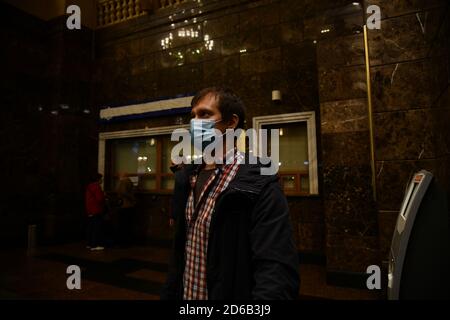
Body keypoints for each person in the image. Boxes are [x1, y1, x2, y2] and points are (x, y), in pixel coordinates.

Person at [161, 87, 300, 300]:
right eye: (193, 116)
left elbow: (276, 270)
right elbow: (179, 257)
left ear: (231, 123)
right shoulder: (187, 178)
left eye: (205, 114)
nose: (195, 123)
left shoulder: (260, 184)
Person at [85, 173, 105, 251]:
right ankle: (94, 245)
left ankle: (89, 244)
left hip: (89, 209)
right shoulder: (96, 187)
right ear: (98, 179)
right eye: (101, 178)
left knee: (90, 227)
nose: (102, 180)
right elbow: (99, 199)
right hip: (96, 209)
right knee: (96, 228)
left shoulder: (89, 186)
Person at [116, 172, 136, 247]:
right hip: (128, 206)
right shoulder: (129, 181)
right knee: (127, 224)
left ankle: (122, 242)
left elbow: (123, 192)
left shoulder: (123, 182)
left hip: (124, 205)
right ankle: (127, 242)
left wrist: (130, 198)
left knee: (122, 224)